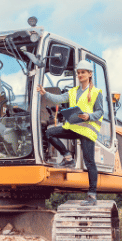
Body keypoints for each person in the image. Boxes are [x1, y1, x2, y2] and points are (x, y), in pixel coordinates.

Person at [37, 60, 103, 206]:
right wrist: (45, 93)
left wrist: (89, 116)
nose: (80, 75)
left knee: (89, 162)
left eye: (83, 73)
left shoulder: (96, 93)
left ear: (89, 74)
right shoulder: (73, 91)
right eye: (78, 73)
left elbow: (100, 112)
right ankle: (68, 157)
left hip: (86, 130)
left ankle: (92, 195)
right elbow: (59, 99)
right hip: (73, 127)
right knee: (50, 133)